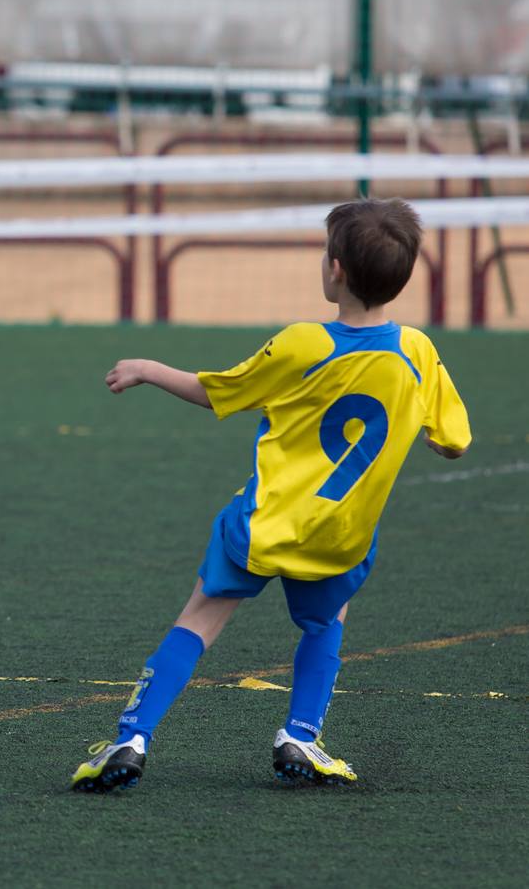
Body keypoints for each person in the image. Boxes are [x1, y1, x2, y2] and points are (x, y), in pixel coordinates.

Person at [71, 197, 472, 791]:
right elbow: (454, 442)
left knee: (200, 620)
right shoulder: (417, 352)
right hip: (341, 535)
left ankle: (131, 737)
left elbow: (221, 392)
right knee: (325, 623)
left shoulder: (305, 343)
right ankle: (301, 737)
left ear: (334, 269)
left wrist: (150, 369)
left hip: (264, 522)